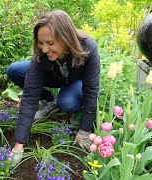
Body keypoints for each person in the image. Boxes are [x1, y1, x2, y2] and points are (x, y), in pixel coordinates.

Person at [6, 10, 100, 165]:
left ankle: (64, 103)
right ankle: (48, 100)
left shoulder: (88, 48)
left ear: (66, 38)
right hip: (53, 76)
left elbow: (91, 91)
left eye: (50, 43)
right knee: (15, 70)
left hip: (75, 82)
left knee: (67, 103)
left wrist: (84, 131)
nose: (44, 49)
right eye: (41, 43)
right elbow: (29, 98)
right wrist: (18, 145)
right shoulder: (41, 54)